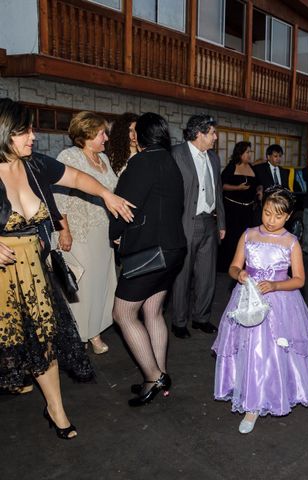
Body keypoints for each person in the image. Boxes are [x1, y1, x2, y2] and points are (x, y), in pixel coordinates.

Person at [0, 98, 133, 438]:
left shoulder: (34, 166)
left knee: (44, 340)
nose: (34, 136)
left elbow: (75, 178)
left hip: (32, 272)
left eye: (32, 129)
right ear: (3, 133)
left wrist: (106, 194)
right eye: (24, 131)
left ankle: (56, 409)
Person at [212, 186, 308, 434]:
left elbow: (299, 280)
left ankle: (278, 390)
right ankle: (251, 403)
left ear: (289, 216)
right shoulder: (249, 235)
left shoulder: (291, 242)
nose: (271, 220)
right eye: (267, 213)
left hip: (280, 301)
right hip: (248, 299)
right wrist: (238, 273)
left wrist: (275, 285)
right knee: (250, 350)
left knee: (275, 351)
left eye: (278, 216)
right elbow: (233, 266)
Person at [110, 112, 187, 407]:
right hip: (173, 250)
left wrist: (115, 233)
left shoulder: (141, 163)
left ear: (139, 136)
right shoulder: (170, 161)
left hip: (148, 253)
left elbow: (123, 207)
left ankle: (154, 377)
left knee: (123, 314)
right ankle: (159, 375)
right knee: (153, 312)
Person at [53, 111, 118, 354]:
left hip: (102, 231)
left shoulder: (104, 159)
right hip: (78, 232)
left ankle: (95, 332)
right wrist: (64, 231)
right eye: (102, 133)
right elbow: (59, 197)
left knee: (102, 285)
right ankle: (77, 337)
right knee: (81, 288)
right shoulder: (69, 156)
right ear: (87, 134)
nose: (106, 138)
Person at [170, 114, 225, 339]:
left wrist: (221, 222)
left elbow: (218, 191)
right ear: (199, 134)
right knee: (182, 276)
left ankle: (201, 318)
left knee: (206, 275)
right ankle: (179, 322)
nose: (215, 137)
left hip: (209, 222)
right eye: (212, 133)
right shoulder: (176, 154)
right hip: (184, 223)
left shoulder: (213, 158)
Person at [218, 141, 259, 273]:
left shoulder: (252, 167)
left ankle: (243, 264)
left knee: (246, 238)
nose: (249, 154)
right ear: (240, 153)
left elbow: (258, 183)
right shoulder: (232, 167)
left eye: (250, 152)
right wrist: (238, 188)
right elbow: (221, 185)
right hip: (232, 209)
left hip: (248, 209)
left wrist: (259, 190)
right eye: (247, 152)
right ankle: (227, 265)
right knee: (232, 238)